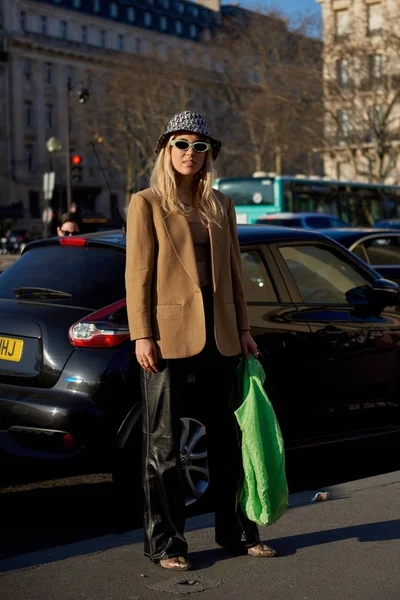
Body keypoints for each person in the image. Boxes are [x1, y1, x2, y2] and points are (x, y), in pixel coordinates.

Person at [125, 111, 276, 571]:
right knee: (164, 445)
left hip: (222, 333)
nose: (190, 153)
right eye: (181, 144)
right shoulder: (146, 202)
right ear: (165, 150)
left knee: (230, 440)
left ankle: (236, 532)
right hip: (167, 336)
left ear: (210, 155)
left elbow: (233, 273)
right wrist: (142, 335)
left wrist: (245, 330)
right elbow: (138, 275)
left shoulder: (221, 204)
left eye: (199, 146)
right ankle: (166, 544)